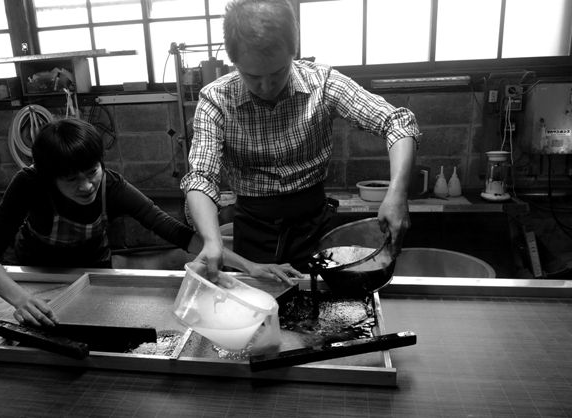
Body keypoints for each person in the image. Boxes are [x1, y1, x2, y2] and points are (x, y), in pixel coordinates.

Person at [0, 118, 301, 328]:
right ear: (49, 177)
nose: (86, 186)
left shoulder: (112, 186)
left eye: (91, 172)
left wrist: (250, 266)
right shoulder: (29, 184)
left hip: (93, 273)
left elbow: (178, 234)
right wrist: (20, 299)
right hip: (36, 277)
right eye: (71, 180)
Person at [180, 0, 421, 279]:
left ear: (293, 52)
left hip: (314, 229)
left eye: (278, 73)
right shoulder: (216, 98)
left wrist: (397, 192)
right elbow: (201, 177)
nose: (266, 87)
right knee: (259, 303)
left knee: (323, 299)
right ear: (234, 63)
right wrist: (212, 241)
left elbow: (397, 122)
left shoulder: (322, 82)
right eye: (252, 76)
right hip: (253, 232)